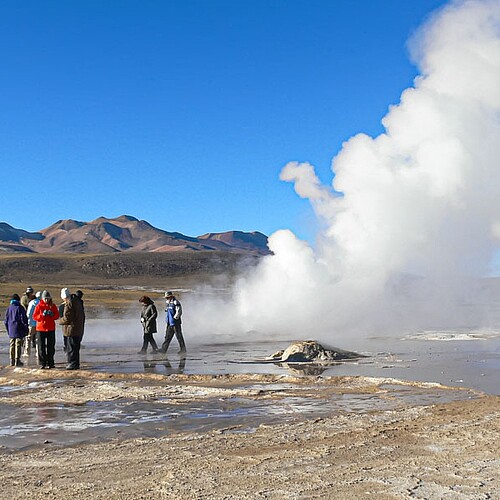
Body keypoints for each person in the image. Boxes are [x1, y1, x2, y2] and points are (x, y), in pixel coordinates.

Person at [59, 287, 85, 370]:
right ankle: (75, 363)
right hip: (78, 328)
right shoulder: (77, 301)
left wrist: (60, 321)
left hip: (70, 329)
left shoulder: (69, 303)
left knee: (71, 348)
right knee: (75, 347)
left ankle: (72, 363)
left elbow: (67, 317)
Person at [33, 290, 60, 369]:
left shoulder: (53, 306)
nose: (47, 300)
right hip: (41, 329)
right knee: (41, 347)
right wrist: (42, 315)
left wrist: (52, 315)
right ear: (42, 298)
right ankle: (43, 363)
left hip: (51, 328)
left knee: (51, 346)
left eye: (48, 298)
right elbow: (34, 317)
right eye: (45, 298)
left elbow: (57, 316)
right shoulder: (39, 306)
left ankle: (51, 362)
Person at [4, 294, 29, 366]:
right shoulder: (20, 308)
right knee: (18, 344)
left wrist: (8, 329)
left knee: (12, 344)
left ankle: (11, 360)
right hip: (19, 329)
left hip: (11, 329)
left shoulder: (9, 308)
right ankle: (17, 360)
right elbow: (23, 319)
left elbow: (6, 321)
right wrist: (26, 328)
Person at [23, 290, 41, 357]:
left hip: (31, 323)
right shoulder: (41, 303)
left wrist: (28, 320)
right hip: (39, 324)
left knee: (28, 338)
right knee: (37, 339)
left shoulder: (32, 303)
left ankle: (27, 352)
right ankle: (38, 353)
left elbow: (28, 313)